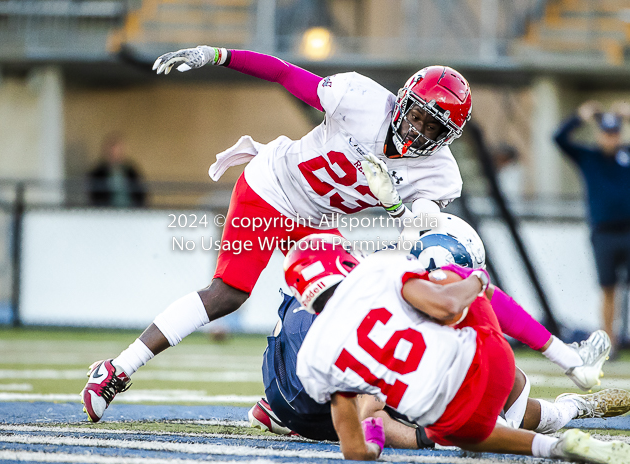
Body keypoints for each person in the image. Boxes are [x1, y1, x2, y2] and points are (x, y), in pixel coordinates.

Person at [81, 45, 471, 421]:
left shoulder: (439, 173)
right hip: (271, 187)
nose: (418, 129)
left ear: (447, 136)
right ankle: (116, 369)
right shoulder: (360, 98)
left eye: (432, 126)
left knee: (346, 306)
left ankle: (279, 401)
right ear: (402, 100)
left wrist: (393, 205)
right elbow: (283, 73)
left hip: (316, 221)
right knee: (227, 294)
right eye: (417, 115)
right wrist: (218, 55)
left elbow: (416, 230)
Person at [250, 215, 616, 443]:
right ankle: (568, 408)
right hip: (328, 406)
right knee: (468, 380)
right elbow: (369, 420)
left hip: (285, 382)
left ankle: (568, 406)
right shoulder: (396, 301)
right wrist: (428, 437)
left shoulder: (374, 277)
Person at [554, 101, 630, 355]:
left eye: (615, 133)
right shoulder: (589, 157)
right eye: (606, 133)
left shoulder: (627, 154)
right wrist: (579, 116)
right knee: (608, 288)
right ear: (600, 135)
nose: (611, 139)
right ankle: (610, 342)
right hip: (604, 232)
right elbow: (559, 139)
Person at [88, 133, 146, 208]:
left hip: (130, 212)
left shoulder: (131, 171)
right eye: (111, 152)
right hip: (106, 212)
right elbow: (94, 195)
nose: (114, 155)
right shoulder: (98, 172)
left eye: (117, 151)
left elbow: (140, 192)